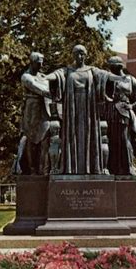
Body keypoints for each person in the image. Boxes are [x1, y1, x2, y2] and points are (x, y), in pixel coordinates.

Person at [45, 45, 114, 174]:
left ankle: (92, 167)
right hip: (72, 108)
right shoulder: (67, 71)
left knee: (89, 134)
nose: (80, 56)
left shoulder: (92, 70)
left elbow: (106, 76)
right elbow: (56, 75)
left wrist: (119, 78)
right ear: (73, 55)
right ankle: (71, 169)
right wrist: (45, 77)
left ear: (86, 55)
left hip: (88, 108)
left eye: (82, 54)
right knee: (72, 135)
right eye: (77, 54)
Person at [102, 55, 136, 175]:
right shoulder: (106, 78)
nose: (110, 69)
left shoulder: (130, 80)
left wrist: (132, 106)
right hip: (109, 113)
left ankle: (128, 168)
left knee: (124, 140)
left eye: (112, 67)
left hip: (123, 114)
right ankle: (110, 169)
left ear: (118, 67)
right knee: (109, 141)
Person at [13, 52, 52, 175]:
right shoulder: (26, 77)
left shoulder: (43, 76)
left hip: (45, 110)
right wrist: (53, 92)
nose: (41, 66)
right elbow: (39, 89)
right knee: (31, 139)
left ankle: (44, 169)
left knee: (46, 137)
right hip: (32, 110)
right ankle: (32, 169)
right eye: (38, 63)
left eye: (42, 63)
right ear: (32, 62)